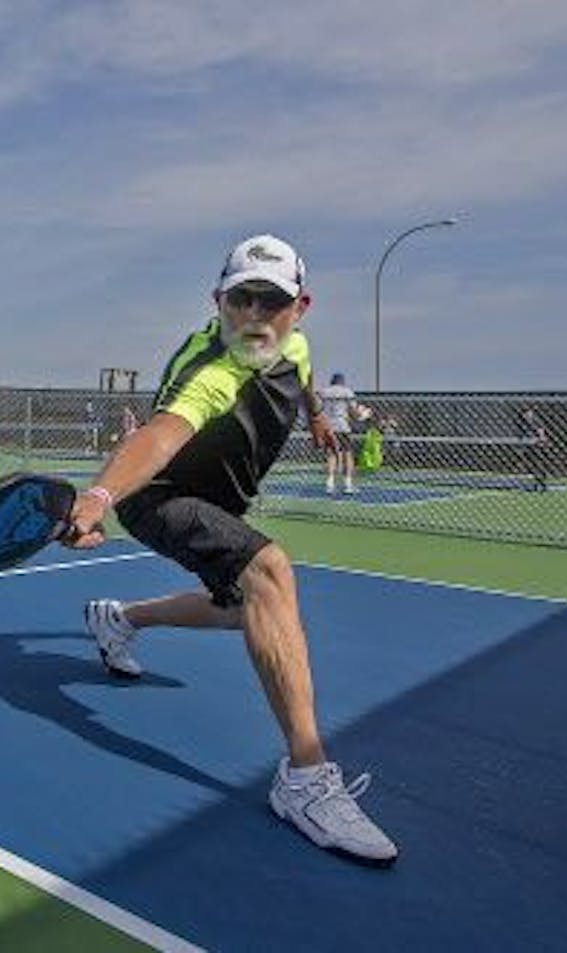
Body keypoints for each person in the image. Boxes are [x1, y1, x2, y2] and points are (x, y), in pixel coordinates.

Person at [65, 234, 398, 866]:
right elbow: (162, 435)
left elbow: (301, 373)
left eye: (270, 301)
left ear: (300, 308)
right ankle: (305, 780)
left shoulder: (294, 346)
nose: (253, 314)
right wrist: (101, 495)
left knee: (242, 612)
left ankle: (120, 619)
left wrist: (316, 417)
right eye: (241, 299)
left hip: (219, 503)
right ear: (218, 300)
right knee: (269, 573)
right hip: (159, 495)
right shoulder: (212, 371)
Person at [317, 372, 365, 494]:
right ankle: (348, 484)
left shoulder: (323, 392)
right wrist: (362, 415)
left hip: (329, 426)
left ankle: (329, 484)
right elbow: (353, 411)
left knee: (331, 454)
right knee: (347, 454)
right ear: (342, 382)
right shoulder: (346, 392)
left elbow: (318, 409)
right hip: (342, 426)